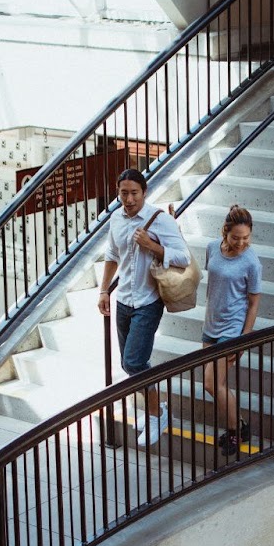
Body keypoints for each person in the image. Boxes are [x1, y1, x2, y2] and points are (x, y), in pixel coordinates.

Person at [97, 169, 190, 446]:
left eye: (134, 193)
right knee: (130, 365)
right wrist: (104, 289)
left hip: (148, 302)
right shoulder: (115, 218)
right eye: (123, 193)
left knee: (135, 362)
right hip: (123, 299)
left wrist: (152, 246)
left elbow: (183, 257)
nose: (128, 199)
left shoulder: (159, 220)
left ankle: (156, 414)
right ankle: (155, 410)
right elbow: (112, 254)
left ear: (145, 192)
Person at [201, 205, 262, 457]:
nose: (241, 243)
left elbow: (254, 302)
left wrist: (243, 338)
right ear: (225, 232)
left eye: (246, 238)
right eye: (236, 237)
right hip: (210, 325)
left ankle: (235, 431)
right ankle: (240, 424)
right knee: (217, 384)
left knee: (211, 383)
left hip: (232, 330)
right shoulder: (212, 248)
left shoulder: (251, 262)